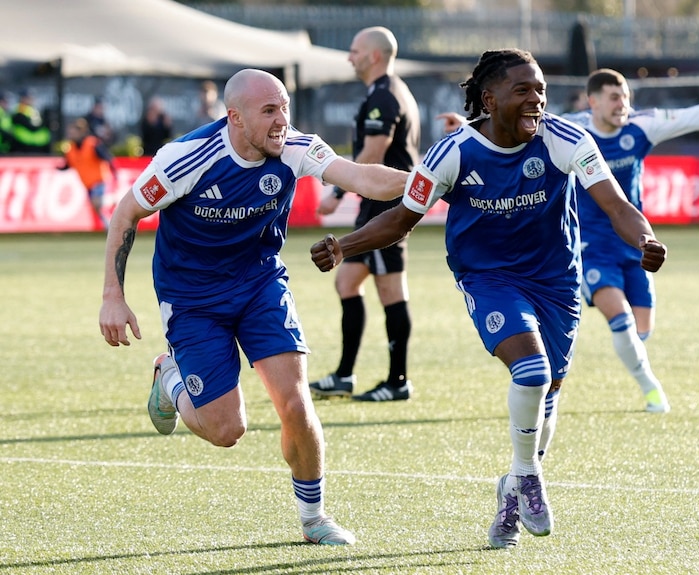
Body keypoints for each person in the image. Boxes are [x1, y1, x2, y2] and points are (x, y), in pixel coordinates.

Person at [310, 49, 667, 549]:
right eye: (523, 90)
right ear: (489, 99)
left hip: (556, 281)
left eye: (540, 90)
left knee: (549, 393)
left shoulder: (565, 139)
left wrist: (645, 238)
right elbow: (400, 219)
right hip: (488, 277)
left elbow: (616, 204)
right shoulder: (453, 152)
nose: (536, 100)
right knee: (532, 372)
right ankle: (528, 476)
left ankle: (512, 487)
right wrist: (343, 246)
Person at [99, 68, 409, 546]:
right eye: (269, 111)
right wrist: (113, 297)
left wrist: (428, 182)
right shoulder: (185, 158)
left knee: (295, 402)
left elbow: (362, 176)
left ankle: (314, 519)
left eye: (285, 107)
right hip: (193, 298)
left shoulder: (294, 147)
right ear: (235, 118)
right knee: (227, 430)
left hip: (260, 283)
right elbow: (126, 213)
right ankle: (169, 376)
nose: (282, 120)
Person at [440, 68, 699, 414]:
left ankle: (617, 376)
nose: (623, 105)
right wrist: (466, 126)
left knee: (641, 329)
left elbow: (696, 117)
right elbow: (510, 121)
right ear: (593, 102)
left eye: (626, 97)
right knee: (621, 319)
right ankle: (651, 390)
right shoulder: (571, 129)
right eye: (615, 98)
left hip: (633, 241)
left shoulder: (642, 126)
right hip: (590, 247)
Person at [310, 26, 420, 402]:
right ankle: (344, 375)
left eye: (355, 51)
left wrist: (338, 191)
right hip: (377, 203)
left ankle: (397, 381)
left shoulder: (384, 95)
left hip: (387, 208)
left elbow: (373, 153)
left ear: (374, 56)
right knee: (347, 282)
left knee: (391, 290)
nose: (349, 57)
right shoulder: (388, 91)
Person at [58, 117, 117, 230]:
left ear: (81, 132)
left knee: (97, 203)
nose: (71, 135)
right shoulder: (71, 149)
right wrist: (58, 168)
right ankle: (109, 226)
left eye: (73, 132)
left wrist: (114, 169)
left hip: (100, 180)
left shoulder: (92, 143)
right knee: (96, 208)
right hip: (87, 184)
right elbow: (68, 165)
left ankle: (113, 200)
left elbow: (107, 157)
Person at [9, 89, 51, 154]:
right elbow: (32, 126)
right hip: (23, 145)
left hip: (38, 145)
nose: (31, 99)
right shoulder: (20, 110)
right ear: (22, 98)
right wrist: (44, 123)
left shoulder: (33, 109)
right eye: (28, 97)